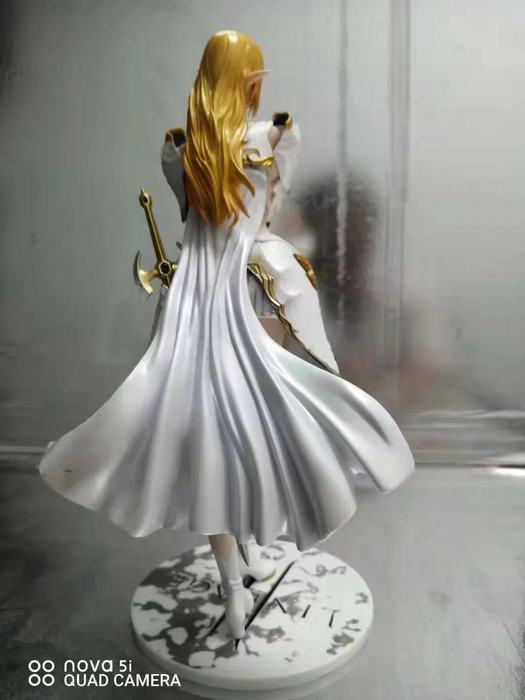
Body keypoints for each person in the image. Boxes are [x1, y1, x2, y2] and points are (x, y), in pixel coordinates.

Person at [39, 30, 414, 640]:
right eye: (255, 80)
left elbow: (192, 218)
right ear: (247, 82)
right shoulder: (274, 138)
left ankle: (237, 579)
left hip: (192, 305)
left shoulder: (180, 149)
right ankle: (242, 576)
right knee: (244, 433)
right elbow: (267, 214)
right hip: (238, 298)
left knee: (210, 444)